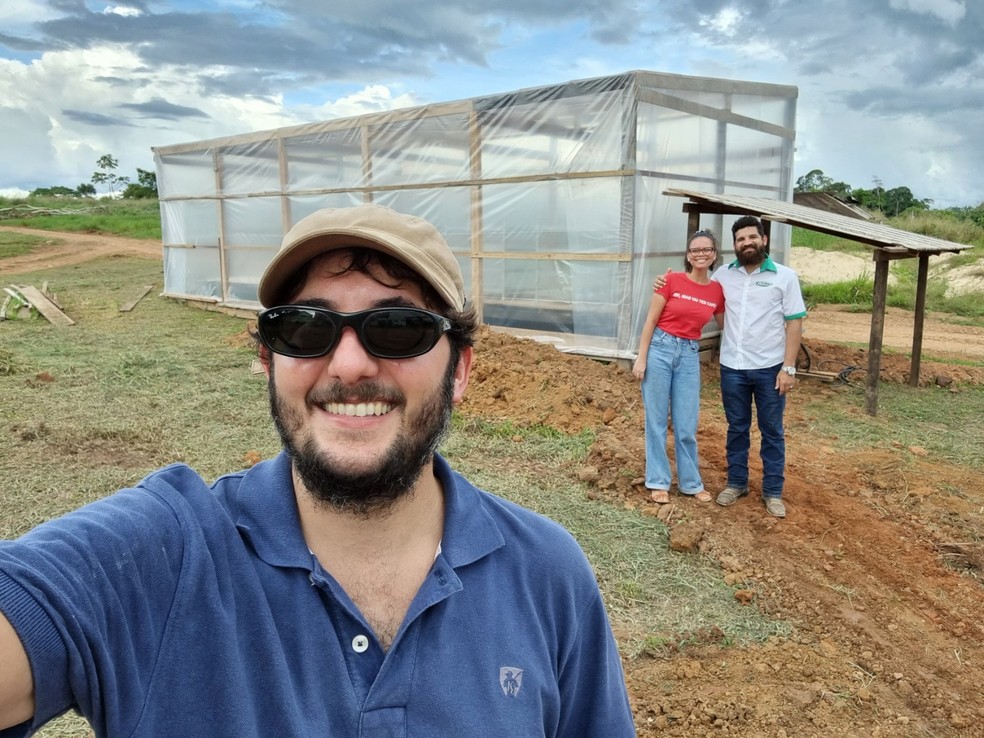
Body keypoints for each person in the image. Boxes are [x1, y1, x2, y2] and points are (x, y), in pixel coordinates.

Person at [0, 204, 636, 737]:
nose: (351, 364)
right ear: (267, 361)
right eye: (306, 328)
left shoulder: (547, 573)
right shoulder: (161, 555)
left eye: (398, 327)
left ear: (460, 370)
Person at [656, 215, 806, 518]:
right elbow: (695, 285)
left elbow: (794, 324)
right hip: (733, 368)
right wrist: (663, 281)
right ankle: (736, 482)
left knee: (772, 430)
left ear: (763, 240)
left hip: (769, 368)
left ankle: (772, 491)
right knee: (736, 428)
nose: (746, 243)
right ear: (734, 245)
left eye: (752, 237)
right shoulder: (724, 275)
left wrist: (788, 368)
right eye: (740, 239)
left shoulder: (784, 277)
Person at [632, 229, 724, 505]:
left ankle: (690, 483)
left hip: (688, 355)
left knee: (686, 424)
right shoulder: (670, 280)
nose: (700, 254)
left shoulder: (717, 291)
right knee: (657, 420)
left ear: (714, 255)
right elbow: (650, 321)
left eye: (706, 249)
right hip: (660, 348)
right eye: (695, 250)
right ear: (688, 255)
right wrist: (641, 357)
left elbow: (726, 327)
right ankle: (658, 481)